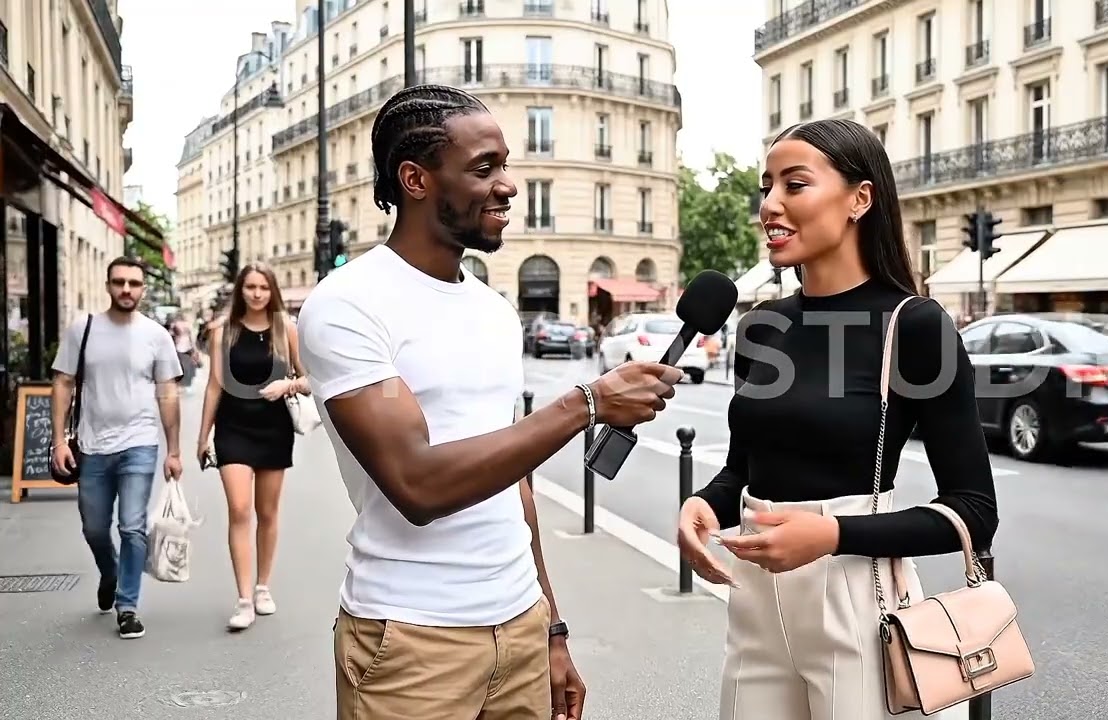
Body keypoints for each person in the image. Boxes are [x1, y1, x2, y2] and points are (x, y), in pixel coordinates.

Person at [297, 84, 682, 720]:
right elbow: (417, 485)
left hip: (521, 625)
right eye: (484, 169)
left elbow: (515, 487)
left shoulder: (494, 311)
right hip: (412, 639)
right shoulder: (347, 306)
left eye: (505, 165)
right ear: (416, 180)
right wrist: (585, 403)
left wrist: (551, 627)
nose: (508, 186)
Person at [675, 119, 998, 720]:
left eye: (794, 185)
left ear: (859, 199)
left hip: (858, 600)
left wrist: (832, 535)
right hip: (755, 601)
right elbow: (746, 468)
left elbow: (974, 512)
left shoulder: (915, 326)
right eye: (766, 187)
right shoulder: (762, 326)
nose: (770, 205)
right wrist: (707, 505)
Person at [50, 256, 185, 640]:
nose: (126, 289)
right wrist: (58, 441)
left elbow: (168, 393)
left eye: (134, 283)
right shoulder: (84, 329)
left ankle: (127, 606)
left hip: (139, 444)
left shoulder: (156, 335)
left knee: (131, 527)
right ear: (108, 285)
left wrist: (173, 450)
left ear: (143, 288)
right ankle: (109, 572)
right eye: (119, 282)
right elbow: (63, 383)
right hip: (91, 446)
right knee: (94, 527)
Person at [196, 262, 306, 631]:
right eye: (250, 287)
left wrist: (288, 385)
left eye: (263, 287)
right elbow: (214, 385)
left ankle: (263, 587)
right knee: (240, 509)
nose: (257, 294)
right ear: (240, 290)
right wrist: (203, 436)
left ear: (272, 291)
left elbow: (309, 379)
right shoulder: (223, 330)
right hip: (232, 427)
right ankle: (244, 599)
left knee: (268, 512)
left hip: (274, 428)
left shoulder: (284, 328)